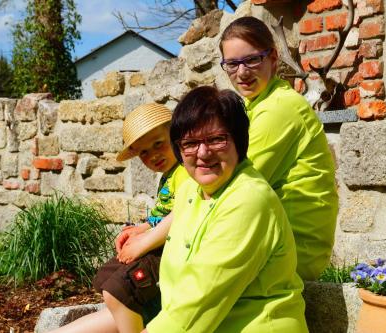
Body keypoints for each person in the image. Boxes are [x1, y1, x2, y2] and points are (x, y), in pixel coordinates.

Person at [144, 86, 308, 332]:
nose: (203, 152)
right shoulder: (190, 191)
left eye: (216, 139)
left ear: (239, 141)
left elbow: (202, 295)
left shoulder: (249, 200)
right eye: (190, 143)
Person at [50, 103, 189, 333]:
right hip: (155, 241)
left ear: (175, 136)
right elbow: (161, 215)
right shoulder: (169, 175)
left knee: (119, 290)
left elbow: (183, 213)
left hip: (167, 248)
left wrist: (144, 241)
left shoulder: (184, 172)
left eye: (158, 144)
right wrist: (141, 229)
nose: (153, 155)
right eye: (143, 152)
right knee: (106, 276)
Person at [219, 16, 339, 281]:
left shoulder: (280, 107)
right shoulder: (257, 105)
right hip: (272, 239)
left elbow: (229, 186)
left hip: (292, 251)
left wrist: (154, 233)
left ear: (273, 57)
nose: (242, 72)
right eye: (232, 64)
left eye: (252, 60)